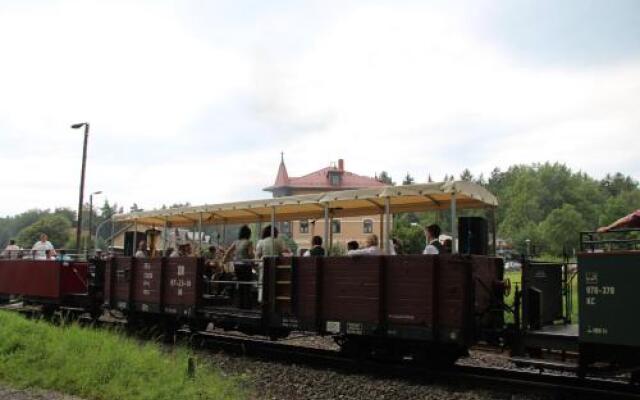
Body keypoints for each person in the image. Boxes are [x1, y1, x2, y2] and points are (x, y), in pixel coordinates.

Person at [223, 225, 255, 307]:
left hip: (237, 266)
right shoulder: (249, 242)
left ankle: (240, 304)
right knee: (247, 286)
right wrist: (253, 257)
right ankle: (247, 305)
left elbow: (228, 252)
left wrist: (224, 260)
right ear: (249, 233)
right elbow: (251, 255)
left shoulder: (236, 242)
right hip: (246, 266)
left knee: (240, 285)